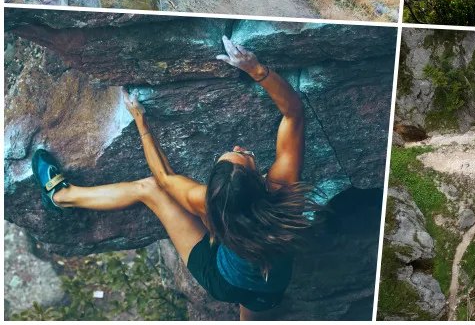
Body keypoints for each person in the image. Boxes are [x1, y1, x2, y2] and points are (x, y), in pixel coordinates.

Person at [31, 36, 321, 320]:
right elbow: (294, 115)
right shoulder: (283, 196)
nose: (237, 147)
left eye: (239, 153)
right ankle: (62, 198)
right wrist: (257, 69)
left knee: (149, 189)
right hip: (268, 287)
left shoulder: (206, 203)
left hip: (222, 280)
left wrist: (141, 122)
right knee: (254, 301)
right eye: (241, 153)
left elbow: (164, 177)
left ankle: (61, 196)